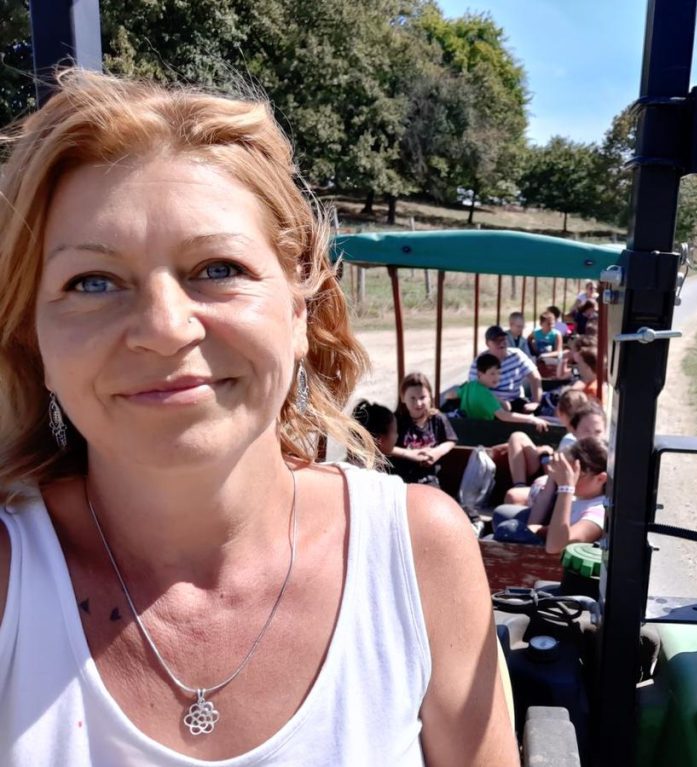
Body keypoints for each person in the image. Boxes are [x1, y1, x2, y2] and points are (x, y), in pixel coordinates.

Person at [0, 70, 516, 766]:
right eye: (92, 282)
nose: (164, 328)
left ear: (299, 309)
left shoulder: (418, 553)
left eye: (217, 268)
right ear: (34, 339)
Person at [491, 438, 608, 554]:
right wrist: (538, 530)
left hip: (554, 558)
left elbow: (555, 547)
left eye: (575, 475)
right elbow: (537, 520)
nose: (567, 478)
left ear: (600, 478)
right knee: (501, 515)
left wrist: (566, 488)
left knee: (508, 530)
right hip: (547, 538)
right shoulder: (581, 496)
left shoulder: (599, 512)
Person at [503, 397, 605, 506]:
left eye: (598, 432)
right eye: (586, 430)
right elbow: (554, 479)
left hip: (571, 501)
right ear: (573, 430)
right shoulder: (570, 445)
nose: (592, 436)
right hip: (556, 492)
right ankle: (519, 485)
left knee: (514, 497)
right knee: (517, 437)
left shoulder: (605, 455)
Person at [390, 373, 457, 488]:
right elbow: (383, 446)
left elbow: (450, 440)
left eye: (422, 397)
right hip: (401, 479)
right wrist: (409, 454)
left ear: (430, 397)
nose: (418, 403)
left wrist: (436, 452)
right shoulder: (395, 421)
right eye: (412, 398)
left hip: (429, 477)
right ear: (402, 398)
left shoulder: (437, 418)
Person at [456, 354, 549, 431]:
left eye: (499, 373)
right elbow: (504, 416)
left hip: (468, 427)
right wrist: (530, 419)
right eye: (492, 373)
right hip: (484, 431)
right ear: (480, 374)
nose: (496, 377)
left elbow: (451, 394)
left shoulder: (470, 386)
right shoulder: (485, 395)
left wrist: (498, 400)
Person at [467, 325, 542, 413]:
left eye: (503, 339)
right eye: (496, 340)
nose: (501, 343)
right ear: (487, 343)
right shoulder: (479, 362)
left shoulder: (517, 355)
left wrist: (536, 402)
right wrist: (501, 404)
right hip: (490, 405)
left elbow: (535, 377)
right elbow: (475, 389)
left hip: (515, 401)